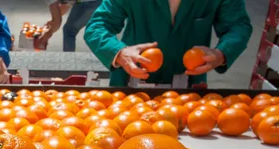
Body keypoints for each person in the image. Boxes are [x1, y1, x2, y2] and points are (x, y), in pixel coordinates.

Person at [84, 0, 252, 87]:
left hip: (189, 88)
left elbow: (237, 26)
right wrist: (120, 52)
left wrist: (221, 54)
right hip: (132, 83)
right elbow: (97, 26)